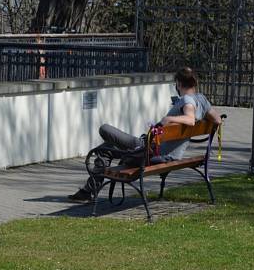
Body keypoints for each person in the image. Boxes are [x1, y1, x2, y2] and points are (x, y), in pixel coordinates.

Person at [69, 67, 223, 202]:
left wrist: (169, 118)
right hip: (167, 154)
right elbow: (217, 120)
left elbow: (190, 120)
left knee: (104, 129)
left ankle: (89, 191)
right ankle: (88, 191)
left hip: (150, 151)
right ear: (194, 83)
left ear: (179, 84)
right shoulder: (201, 99)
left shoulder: (187, 99)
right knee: (107, 148)